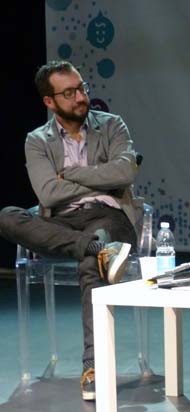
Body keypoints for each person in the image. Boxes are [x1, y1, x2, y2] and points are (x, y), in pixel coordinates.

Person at [0, 60, 143, 401]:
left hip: (106, 217)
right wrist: (98, 175)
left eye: (82, 88)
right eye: (69, 93)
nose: (81, 97)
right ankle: (89, 246)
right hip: (60, 222)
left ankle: (94, 366)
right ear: (49, 101)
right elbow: (47, 194)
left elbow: (125, 173)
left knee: (92, 260)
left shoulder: (112, 125)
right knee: (7, 216)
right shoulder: (37, 140)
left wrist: (70, 174)